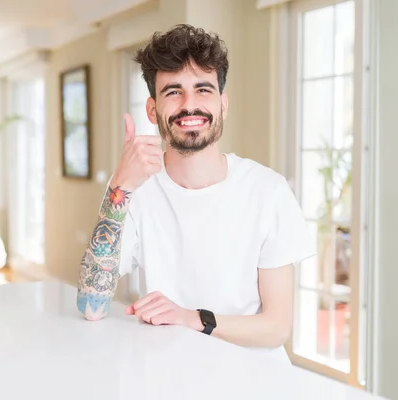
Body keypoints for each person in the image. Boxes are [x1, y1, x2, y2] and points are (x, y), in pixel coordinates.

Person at [76, 24, 314, 364]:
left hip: (256, 382)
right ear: (152, 109)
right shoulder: (133, 190)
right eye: (173, 92)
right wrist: (120, 187)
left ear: (223, 104)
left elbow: (276, 328)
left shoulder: (268, 191)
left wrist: (193, 318)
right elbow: (91, 307)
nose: (190, 105)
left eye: (203, 89)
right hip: (168, 375)